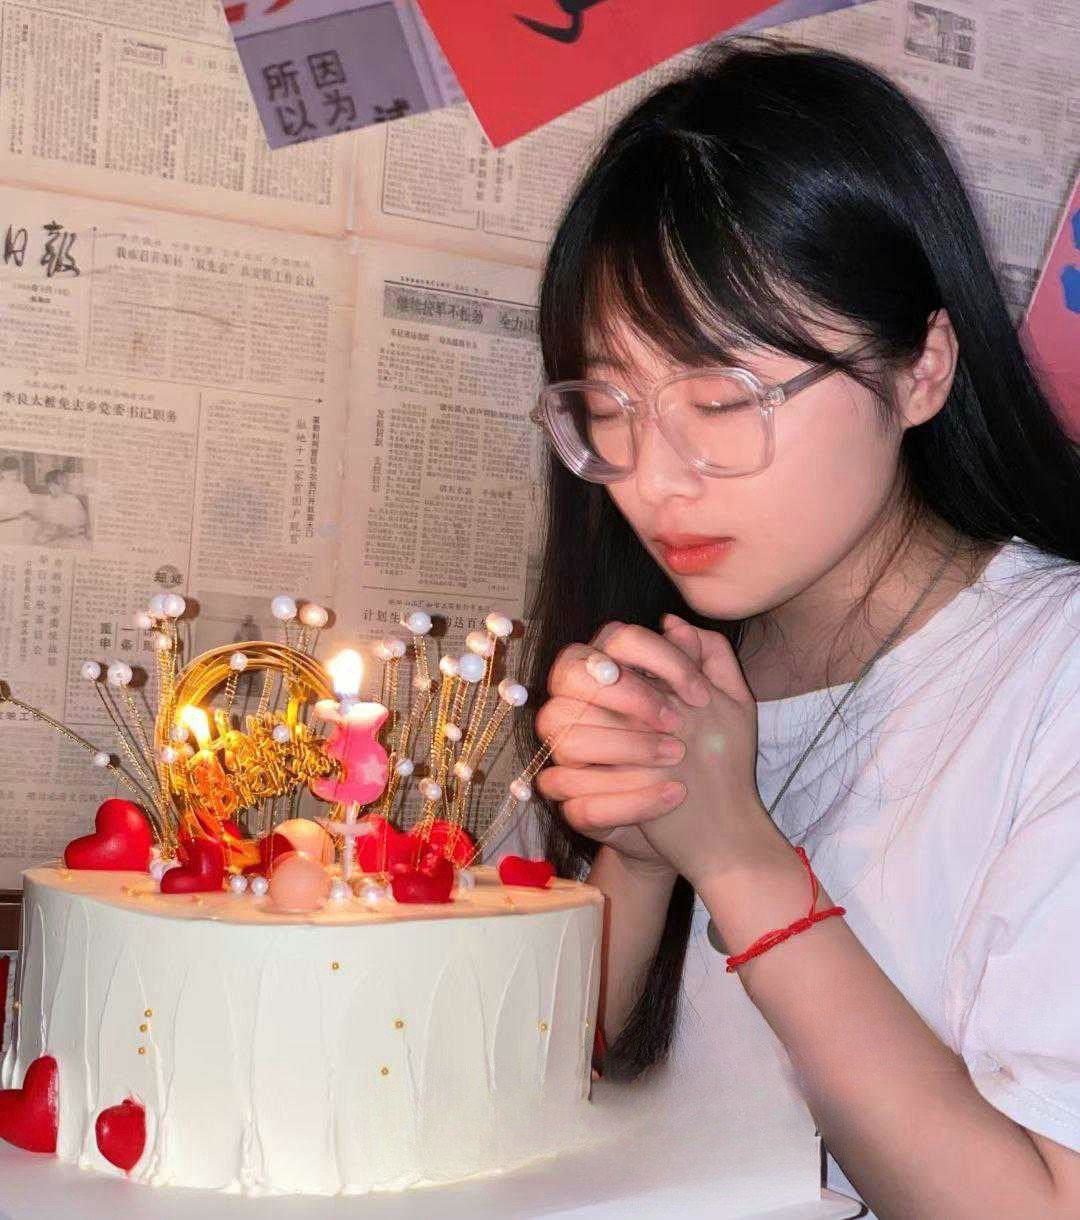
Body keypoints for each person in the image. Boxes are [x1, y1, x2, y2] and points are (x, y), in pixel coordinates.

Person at [517, 39, 1080, 1219]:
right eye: (608, 406)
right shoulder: (664, 667)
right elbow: (522, 1110)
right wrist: (641, 852)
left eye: (722, 399)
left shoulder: (1053, 667)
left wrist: (736, 854)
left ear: (921, 369)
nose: (652, 478)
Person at [32, 468, 89, 545]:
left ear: (64, 485)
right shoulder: (47, 499)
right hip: (51, 535)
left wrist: (59, 531)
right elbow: (42, 520)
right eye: (50, 485)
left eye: (57, 485)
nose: (53, 489)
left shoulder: (72, 500)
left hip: (68, 537)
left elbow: (79, 527)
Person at [0, 455, 34, 544]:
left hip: (19, 527)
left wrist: (27, 514)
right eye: (10, 474)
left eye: (15, 474)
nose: (13, 477)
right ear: (2, 472)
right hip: (2, 528)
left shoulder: (22, 487)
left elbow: (29, 508)